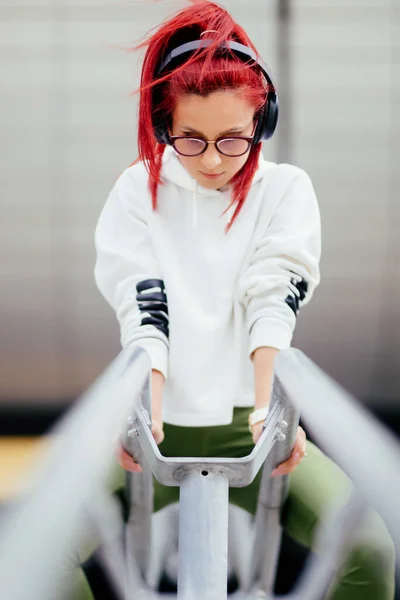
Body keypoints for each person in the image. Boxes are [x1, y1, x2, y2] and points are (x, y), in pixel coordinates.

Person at [82, 1, 397, 599]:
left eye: (233, 139)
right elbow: (143, 307)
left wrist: (270, 415)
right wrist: (140, 418)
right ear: (162, 123)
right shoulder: (135, 190)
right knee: (30, 553)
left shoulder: (285, 189)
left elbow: (272, 297)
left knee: (373, 553)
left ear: (263, 122)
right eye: (189, 138)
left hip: (250, 433)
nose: (210, 160)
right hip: (150, 433)